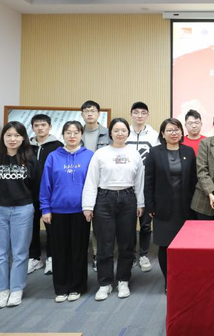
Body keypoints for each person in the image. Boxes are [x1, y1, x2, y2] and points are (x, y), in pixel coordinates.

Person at [82, 118, 145, 301]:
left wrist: (140, 203)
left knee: (127, 243)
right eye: (116, 130)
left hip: (128, 199)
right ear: (110, 133)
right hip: (104, 199)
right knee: (104, 244)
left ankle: (123, 280)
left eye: (123, 130)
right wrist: (88, 206)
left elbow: (139, 181)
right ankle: (105, 283)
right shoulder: (100, 153)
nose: (120, 133)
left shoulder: (134, 154)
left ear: (128, 133)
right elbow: (91, 181)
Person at [0, 121, 37, 309]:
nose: (13, 139)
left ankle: (16, 289)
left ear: (23, 138)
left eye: (17, 135)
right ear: (3, 137)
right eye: (9, 135)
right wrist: (1, 198)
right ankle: (2, 290)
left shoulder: (30, 160)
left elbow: (35, 185)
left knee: (20, 252)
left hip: (23, 209)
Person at [40, 121, 94, 303]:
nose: (72, 136)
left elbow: (93, 184)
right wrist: (46, 208)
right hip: (57, 211)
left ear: (81, 135)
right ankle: (61, 287)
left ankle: (77, 286)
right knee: (59, 251)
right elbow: (45, 184)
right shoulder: (53, 157)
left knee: (79, 250)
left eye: (76, 132)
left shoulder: (89, 156)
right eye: (68, 132)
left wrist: (90, 207)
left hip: (81, 211)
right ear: (62, 135)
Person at [144, 118, 197, 293]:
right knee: (165, 245)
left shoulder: (189, 151)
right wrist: (150, 206)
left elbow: (193, 180)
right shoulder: (155, 152)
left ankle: (183, 278)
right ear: (163, 133)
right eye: (169, 130)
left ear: (182, 132)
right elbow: (149, 181)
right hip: (162, 207)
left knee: (185, 246)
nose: (174, 133)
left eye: (177, 130)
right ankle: (169, 280)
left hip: (185, 207)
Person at [125, 101, 160, 273]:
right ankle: (130, 255)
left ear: (147, 115)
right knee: (128, 224)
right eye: (136, 112)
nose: (139, 115)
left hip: (147, 186)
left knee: (146, 224)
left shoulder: (154, 135)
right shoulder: (124, 133)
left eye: (143, 113)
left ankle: (143, 254)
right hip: (127, 186)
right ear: (131, 114)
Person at [28, 114, 62, 276]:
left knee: (52, 229)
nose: (40, 128)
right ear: (32, 128)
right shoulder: (26, 147)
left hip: (51, 194)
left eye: (43, 125)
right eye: (36, 125)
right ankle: (34, 258)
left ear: (50, 127)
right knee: (31, 228)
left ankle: (51, 258)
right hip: (30, 194)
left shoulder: (58, 146)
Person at [80, 100, 111, 273]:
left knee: (99, 224)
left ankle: (97, 255)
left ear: (99, 114)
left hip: (101, 183)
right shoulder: (76, 132)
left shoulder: (107, 134)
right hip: (79, 181)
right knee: (82, 220)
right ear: (82, 114)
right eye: (86, 111)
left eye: (92, 110)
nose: (89, 113)